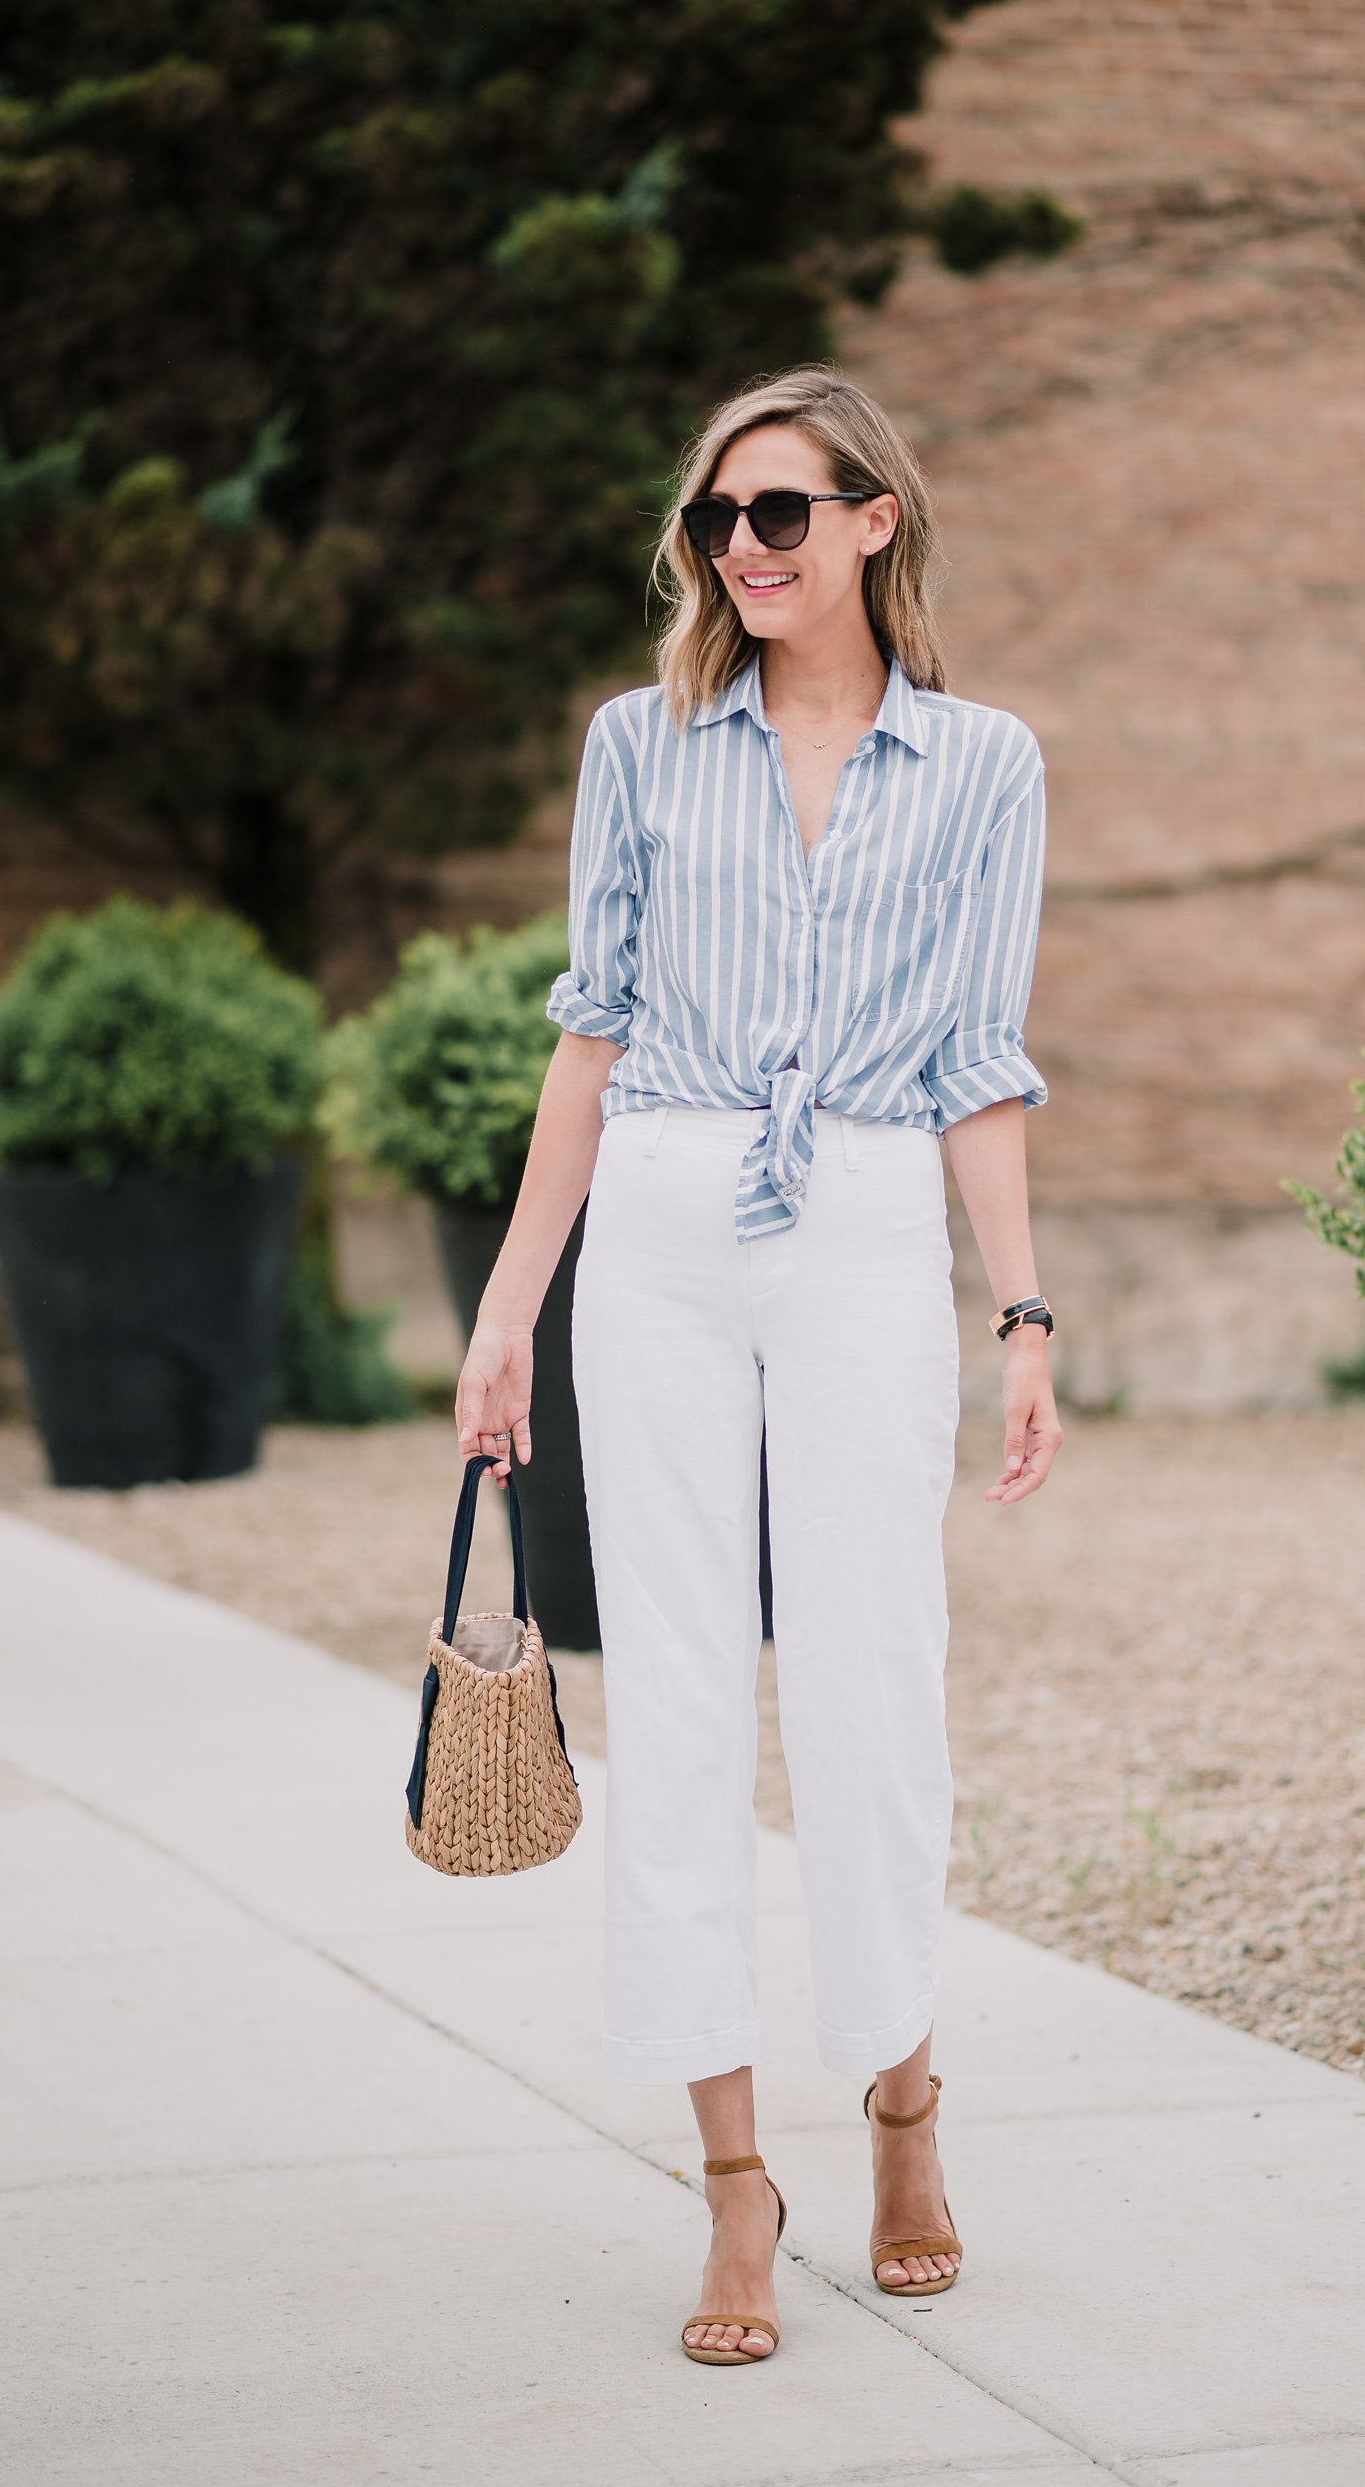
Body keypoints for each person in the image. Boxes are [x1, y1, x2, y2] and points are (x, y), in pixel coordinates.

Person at [454, 366, 1060, 2365]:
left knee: (876, 1676)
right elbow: (591, 1032)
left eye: (780, 514)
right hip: (663, 1225)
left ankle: (901, 2098)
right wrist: (509, 1305)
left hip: (872, 1214)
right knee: (689, 1694)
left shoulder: (985, 765)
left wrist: (1025, 1311)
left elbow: (981, 1058)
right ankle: (730, 2181)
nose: (742, 552)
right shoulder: (641, 744)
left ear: (877, 517)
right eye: (719, 521)